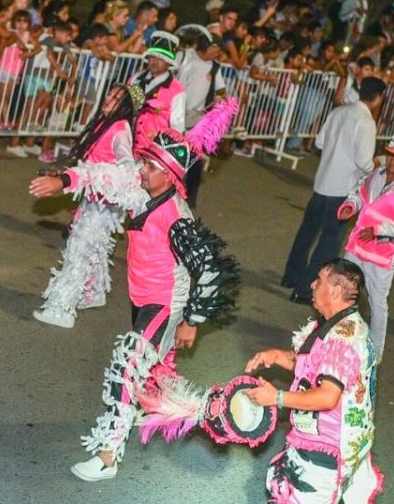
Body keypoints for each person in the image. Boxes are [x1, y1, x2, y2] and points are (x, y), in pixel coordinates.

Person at [29, 102, 239, 483]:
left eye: (150, 165)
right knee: (152, 380)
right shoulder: (143, 188)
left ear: (169, 175)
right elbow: (105, 176)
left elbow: (210, 269)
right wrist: (64, 181)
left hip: (164, 303)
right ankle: (217, 411)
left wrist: (191, 320)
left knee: (126, 368)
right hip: (142, 299)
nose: (141, 169)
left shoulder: (177, 218)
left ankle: (107, 457)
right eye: (143, 163)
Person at [244, 258, 383, 503]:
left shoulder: (344, 338)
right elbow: (314, 368)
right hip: (316, 442)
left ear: (336, 291)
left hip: (327, 450)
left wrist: (275, 397)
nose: (312, 284)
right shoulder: (335, 324)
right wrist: (278, 356)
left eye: (319, 280)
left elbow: (327, 396)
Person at [30, 85, 145, 328]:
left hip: (104, 202)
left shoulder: (120, 130)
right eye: (110, 94)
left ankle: (62, 310)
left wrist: (88, 179)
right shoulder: (105, 124)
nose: (108, 99)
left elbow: (126, 170)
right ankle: (93, 293)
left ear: (125, 108)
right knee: (96, 246)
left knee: (80, 248)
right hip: (95, 197)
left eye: (116, 98)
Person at [281, 77, 386, 304]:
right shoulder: (366, 122)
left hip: (323, 182)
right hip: (343, 189)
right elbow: (365, 163)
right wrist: (380, 161)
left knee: (307, 232)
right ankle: (305, 288)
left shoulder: (338, 112)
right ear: (378, 99)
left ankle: (291, 275)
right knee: (328, 243)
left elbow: (319, 142)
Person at [337, 134, 394, 362]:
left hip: (382, 256)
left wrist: (377, 230)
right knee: (341, 288)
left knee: (377, 302)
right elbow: (359, 194)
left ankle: (376, 352)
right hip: (357, 245)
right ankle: (334, 334)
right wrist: (350, 206)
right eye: (391, 156)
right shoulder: (376, 174)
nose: (393, 161)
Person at [173, 25, 225, 206]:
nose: (218, 53)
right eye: (217, 49)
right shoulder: (184, 56)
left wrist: (220, 100)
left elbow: (221, 89)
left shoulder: (214, 67)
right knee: (172, 156)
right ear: (208, 47)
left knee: (194, 161)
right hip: (175, 114)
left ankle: (188, 197)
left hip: (197, 118)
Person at [130, 31, 185, 139]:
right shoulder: (135, 79)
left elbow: (177, 125)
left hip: (154, 145)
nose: (155, 62)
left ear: (168, 63)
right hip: (128, 139)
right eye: (152, 57)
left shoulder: (176, 89)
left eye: (160, 59)